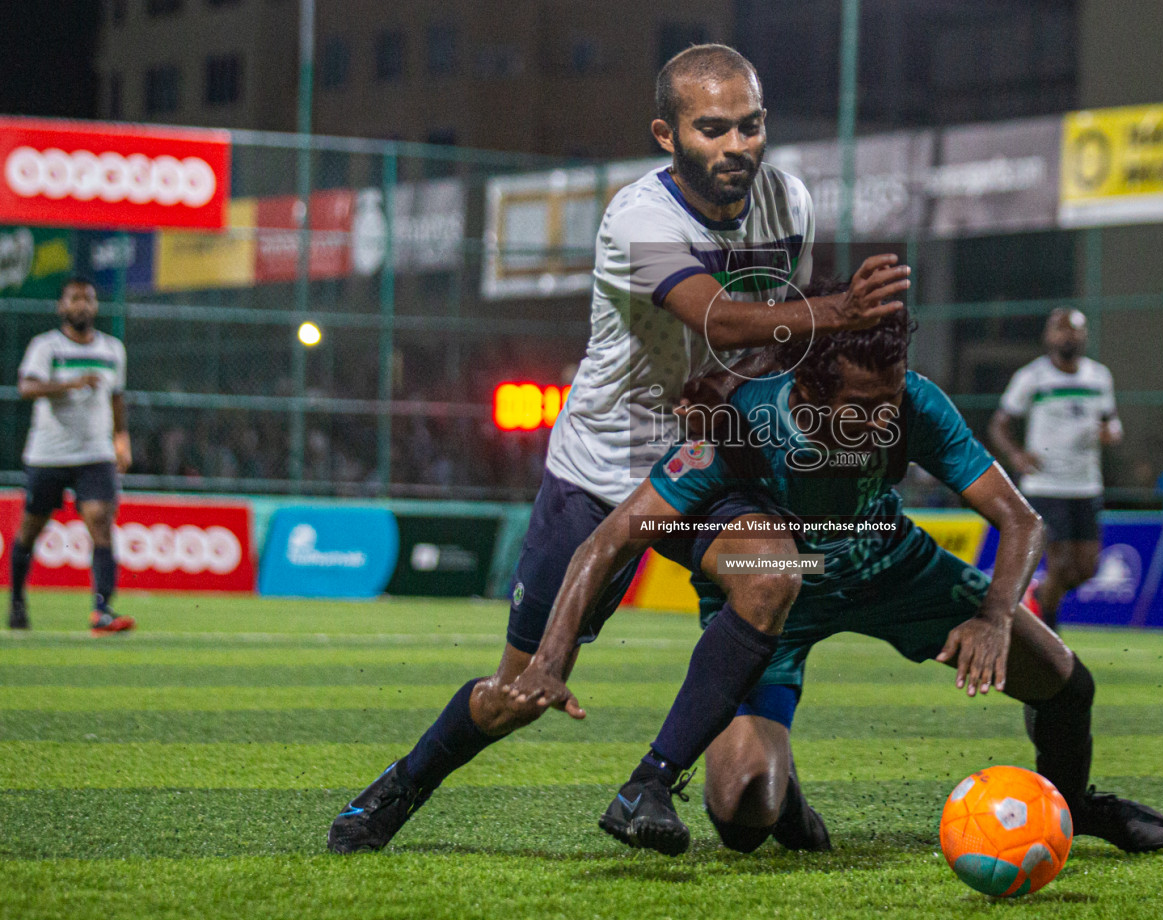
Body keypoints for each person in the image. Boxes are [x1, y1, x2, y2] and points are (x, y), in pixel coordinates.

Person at [327, 44, 911, 853]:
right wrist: (839, 312)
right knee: (518, 692)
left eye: (750, 126)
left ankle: (656, 785)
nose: (736, 146)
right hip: (600, 472)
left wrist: (782, 401)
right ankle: (400, 787)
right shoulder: (640, 217)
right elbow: (720, 317)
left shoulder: (790, 204)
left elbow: (771, 337)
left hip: (708, 466)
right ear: (666, 136)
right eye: (712, 129)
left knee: (769, 579)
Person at [510, 288, 1163, 857]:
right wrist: (551, 656)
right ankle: (784, 797)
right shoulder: (744, 421)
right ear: (808, 389)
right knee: (744, 820)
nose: (885, 420)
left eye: (890, 400)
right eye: (862, 406)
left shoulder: (915, 403)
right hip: (780, 587)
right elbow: (611, 539)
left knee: (1066, 685)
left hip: (891, 563)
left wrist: (996, 617)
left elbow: (1023, 520)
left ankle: (1073, 806)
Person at [8, 277, 134, 634]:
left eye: (88, 299)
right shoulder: (46, 347)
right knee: (31, 529)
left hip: (96, 453)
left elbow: (117, 398)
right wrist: (69, 384)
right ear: (62, 307)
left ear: (95, 306)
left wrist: (121, 439)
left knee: (101, 523)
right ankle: (17, 600)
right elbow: (27, 386)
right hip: (48, 455)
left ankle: (102, 610)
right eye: (75, 299)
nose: (82, 305)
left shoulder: (112, 350)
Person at [987, 308, 1121, 629]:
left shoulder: (1099, 376)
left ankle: (1042, 595)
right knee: (1059, 563)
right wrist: (1016, 455)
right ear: (1048, 336)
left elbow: (1112, 422)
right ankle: (1050, 629)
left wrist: (1111, 432)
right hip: (1045, 484)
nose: (1067, 336)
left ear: (1085, 335)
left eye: (1074, 330)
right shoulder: (1032, 377)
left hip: (1086, 483)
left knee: (1087, 568)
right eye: (1061, 330)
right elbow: (999, 424)